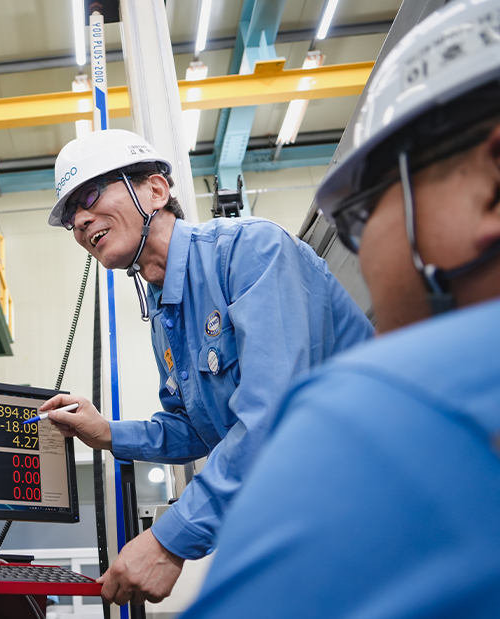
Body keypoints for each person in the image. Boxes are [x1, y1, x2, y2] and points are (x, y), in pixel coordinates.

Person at [182, 1, 500, 616]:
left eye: (360, 212)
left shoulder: (391, 409)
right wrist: (112, 433)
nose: (359, 249)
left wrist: (171, 539)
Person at [39, 129, 375, 606]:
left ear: (156, 189)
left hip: (371, 503)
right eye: (70, 216)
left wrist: (168, 539)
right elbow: (197, 429)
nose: (80, 221)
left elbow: (272, 419)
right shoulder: (163, 311)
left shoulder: (250, 252)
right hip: (301, 522)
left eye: (90, 195)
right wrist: (108, 433)